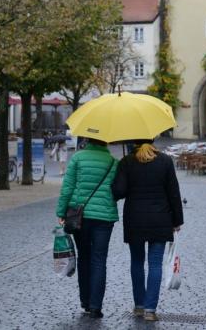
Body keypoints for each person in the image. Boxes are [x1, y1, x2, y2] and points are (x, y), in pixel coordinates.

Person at [111, 140, 184, 322]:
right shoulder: (165, 161)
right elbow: (173, 192)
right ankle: (150, 309)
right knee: (155, 264)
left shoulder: (127, 162)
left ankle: (139, 305)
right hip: (160, 218)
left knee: (136, 262)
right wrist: (177, 221)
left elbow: (118, 191)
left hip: (135, 219)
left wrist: (121, 174)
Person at [55, 138, 118, 319]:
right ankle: (96, 306)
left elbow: (67, 187)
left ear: (88, 140)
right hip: (104, 217)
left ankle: (85, 300)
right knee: (99, 259)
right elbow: (118, 189)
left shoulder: (78, 158)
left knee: (84, 257)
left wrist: (61, 211)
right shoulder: (113, 162)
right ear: (106, 141)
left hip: (79, 217)